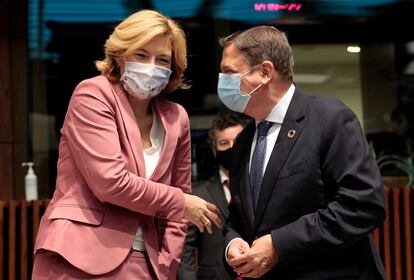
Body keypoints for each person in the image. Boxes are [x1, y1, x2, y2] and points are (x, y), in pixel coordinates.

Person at [32, 10, 222, 280]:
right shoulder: (93, 94)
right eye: (141, 55)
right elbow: (110, 182)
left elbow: (180, 198)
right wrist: (181, 202)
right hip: (78, 255)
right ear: (121, 56)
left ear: (172, 69)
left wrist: (167, 263)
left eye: (162, 60)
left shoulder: (176, 117)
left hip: (146, 263)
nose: (151, 66)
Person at [217, 26, 387, 279]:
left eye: (229, 73)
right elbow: (239, 217)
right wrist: (233, 243)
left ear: (265, 72)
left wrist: (279, 245)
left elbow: (362, 205)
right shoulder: (243, 140)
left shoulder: (330, 118)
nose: (222, 82)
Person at [178, 113, 248, 280]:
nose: (232, 148)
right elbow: (184, 249)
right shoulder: (198, 195)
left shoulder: (266, 186)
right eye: (224, 143)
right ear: (214, 148)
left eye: (238, 142)